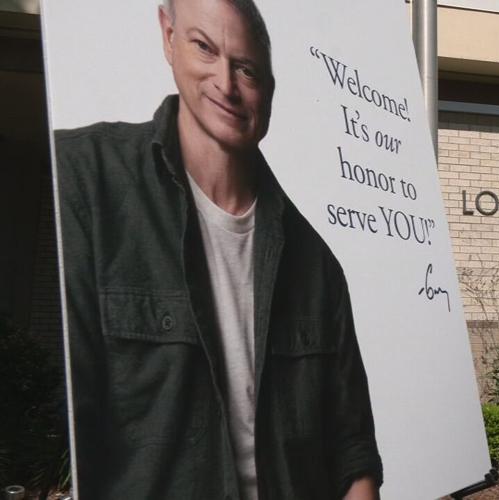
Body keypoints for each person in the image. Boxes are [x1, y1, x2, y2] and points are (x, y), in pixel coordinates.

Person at [54, 0, 382, 498]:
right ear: (168, 36)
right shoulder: (83, 178)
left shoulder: (316, 263)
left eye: (246, 69)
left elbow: (352, 451)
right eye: (204, 48)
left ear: (270, 92)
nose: (225, 85)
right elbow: (55, 422)